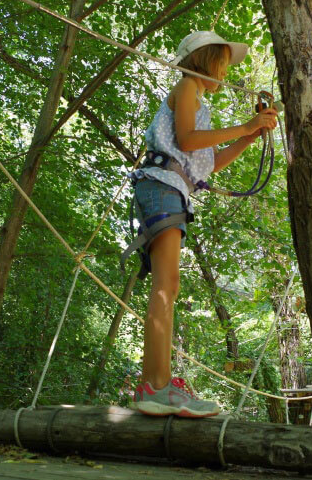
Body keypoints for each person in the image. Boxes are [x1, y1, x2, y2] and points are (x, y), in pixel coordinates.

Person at [129, 31, 278, 418]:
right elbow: (188, 139)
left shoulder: (198, 102)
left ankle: (155, 385)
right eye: (224, 62)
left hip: (171, 188)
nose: (227, 71)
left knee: (169, 286)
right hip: (161, 185)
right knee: (166, 286)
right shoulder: (186, 86)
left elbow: (208, 162)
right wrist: (245, 127)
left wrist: (250, 135)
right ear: (206, 59)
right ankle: (156, 387)